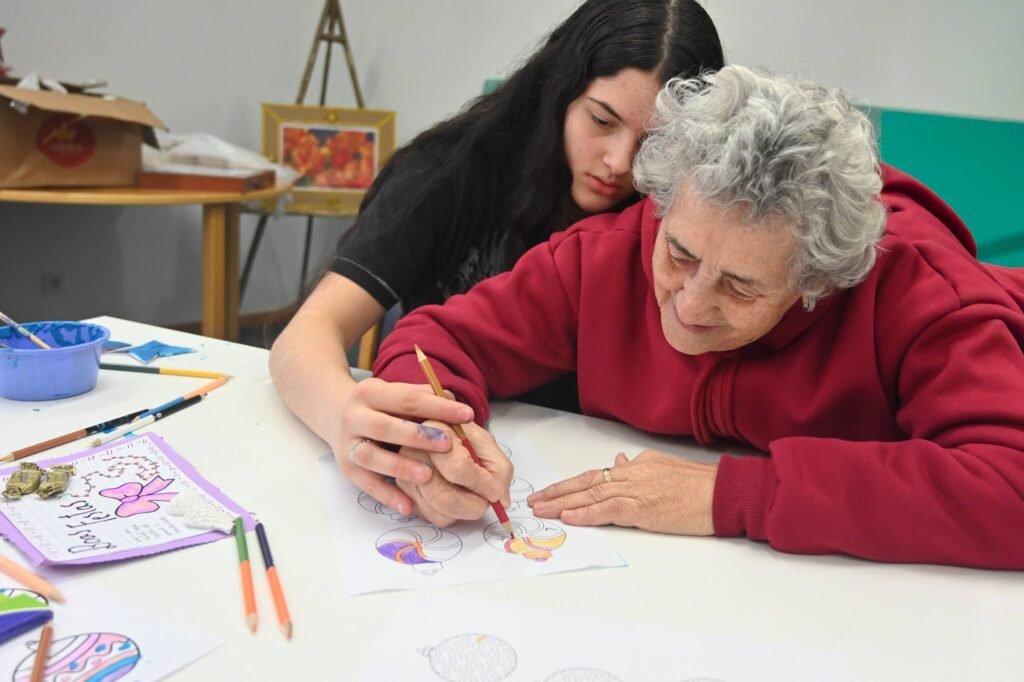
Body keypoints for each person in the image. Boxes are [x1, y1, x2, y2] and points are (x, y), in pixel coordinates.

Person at [371, 65, 1024, 569]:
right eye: (679, 254)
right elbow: (436, 338)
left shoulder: (922, 294)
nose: (688, 306)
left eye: (740, 287)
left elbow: (1011, 487)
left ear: (817, 283)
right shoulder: (610, 252)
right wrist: (430, 437)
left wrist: (731, 495)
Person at [269, 0, 724, 517]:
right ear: (560, 90)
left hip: (596, 477)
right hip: (463, 453)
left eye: (656, 143)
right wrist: (344, 419)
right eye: (601, 120)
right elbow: (305, 337)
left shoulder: (670, 220)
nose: (619, 163)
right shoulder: (452, 172)